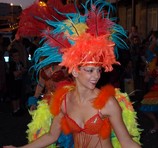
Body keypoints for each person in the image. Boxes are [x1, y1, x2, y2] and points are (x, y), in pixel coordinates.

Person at [3, 0, 141, 147]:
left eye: (98, 70)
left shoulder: (107, 103)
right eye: (90, 70)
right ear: (75, 71)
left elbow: (126, 142)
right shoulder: (64, 101)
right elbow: (51, 136)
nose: (96, 76)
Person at [8, 48, 26, 116]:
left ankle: (18, 109)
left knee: (18, 95)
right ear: (12, 57)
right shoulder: (12, 64)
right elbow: (15, 74)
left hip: (19, 81)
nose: (17, 57)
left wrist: (20, 71)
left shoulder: (20, 63)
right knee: (14, 96)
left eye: (18, 55)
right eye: (15, 56)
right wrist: (21, 71)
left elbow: (23, 70)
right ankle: (15, 110)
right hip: (13, 83)